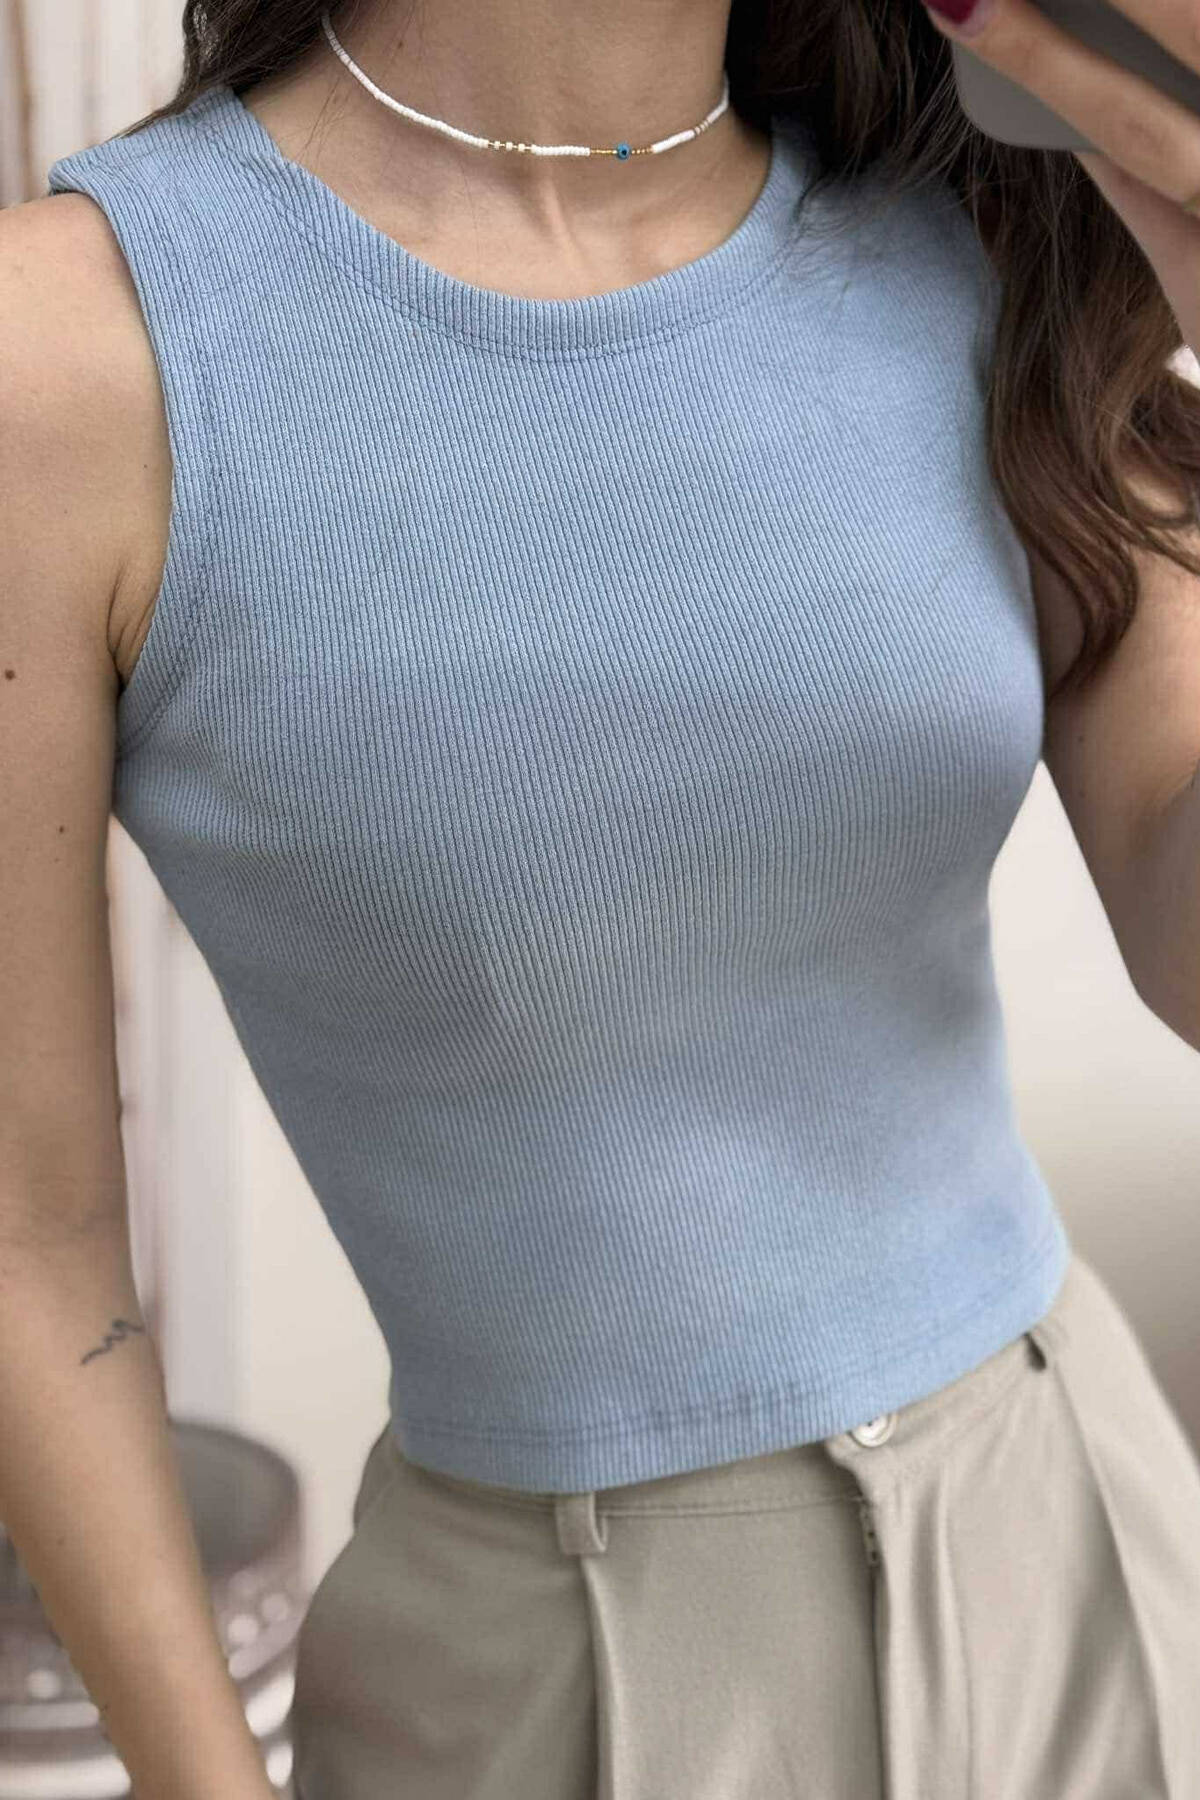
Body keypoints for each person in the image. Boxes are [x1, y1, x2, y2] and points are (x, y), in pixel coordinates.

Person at [4, 0, 1200, 1793]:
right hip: (551, 1686)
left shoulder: (984, 216)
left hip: (1091, 1571)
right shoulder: (73, 351)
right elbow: (27, 1239)